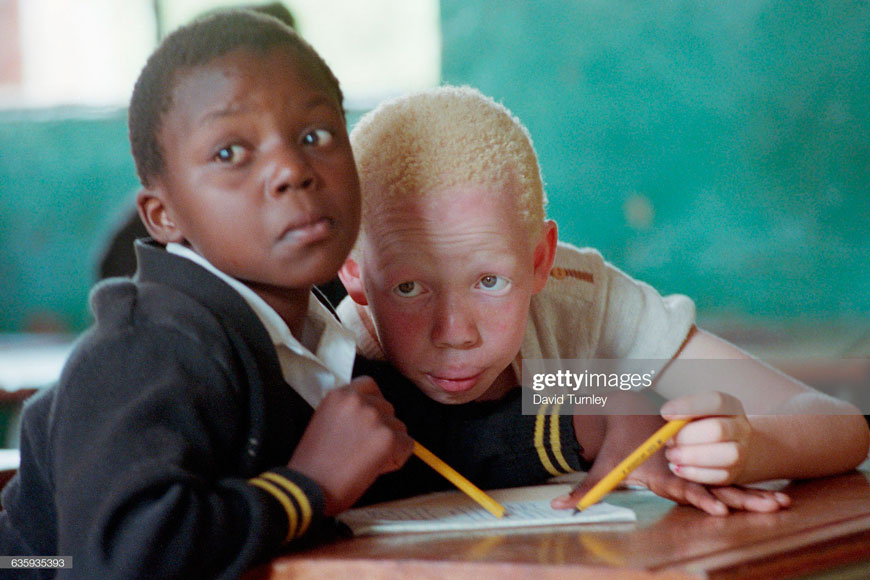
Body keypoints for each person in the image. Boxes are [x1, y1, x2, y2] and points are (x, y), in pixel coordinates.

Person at [0, 16, 583, 579]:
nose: (290, 169)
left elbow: (446, 438)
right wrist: (311, 484)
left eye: (315, 136)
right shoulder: (147, 348)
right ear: (164, 215)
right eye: (230, 152)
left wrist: (608, 402)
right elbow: (110, 563)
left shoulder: (317, 328)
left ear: (540, 258)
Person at [336, 85, 870, 516]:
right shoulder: (324, 347)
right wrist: (608, 397)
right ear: (354, 275)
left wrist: (751, 449)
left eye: (490, 282)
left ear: (542, 260)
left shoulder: (581, 299)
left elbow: (842, 425)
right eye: (409, 288)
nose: (455, 331)